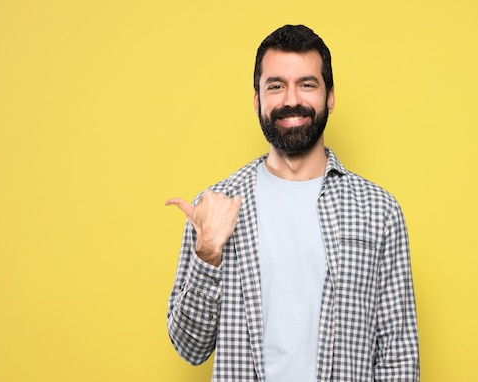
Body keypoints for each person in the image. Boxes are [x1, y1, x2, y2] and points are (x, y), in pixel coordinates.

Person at [166, 24, 420, 381]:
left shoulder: (378, 210)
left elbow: (398, 352)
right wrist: (208, 253)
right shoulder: (216, 206)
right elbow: (190, 348)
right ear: (257, 99)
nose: (290, 100)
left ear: (330, 97)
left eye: (307, 84)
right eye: (275, 86)